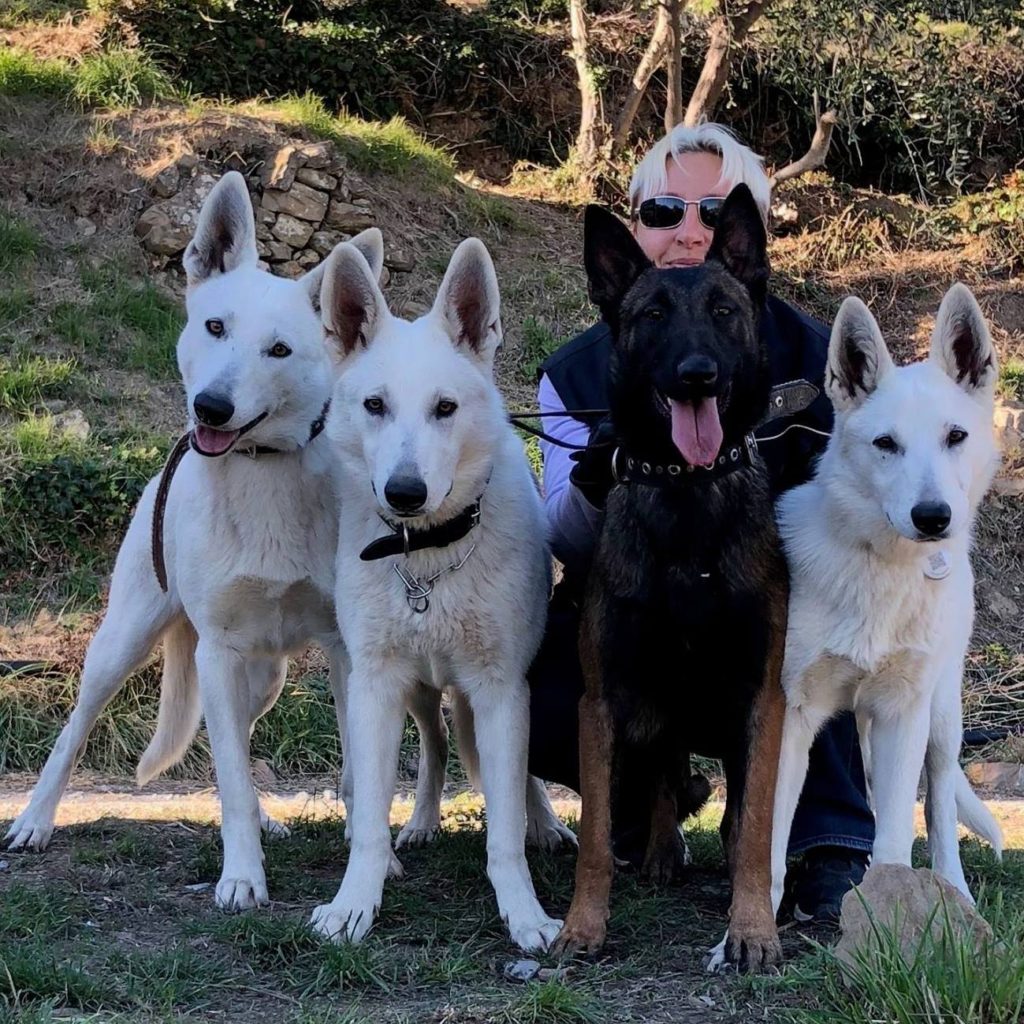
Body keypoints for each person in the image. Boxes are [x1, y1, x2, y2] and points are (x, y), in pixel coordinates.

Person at [527, 122, 874, 923]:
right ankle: (657, 799)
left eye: (714, 211)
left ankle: (829, 842)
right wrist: (600, 474)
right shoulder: (573, 370)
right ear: (632, 234)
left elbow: (870, 479)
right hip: (635, 601)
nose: (689, 230)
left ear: (746, 251)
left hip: (772, 604)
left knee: (808, 648)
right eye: (664, 210)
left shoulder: (815, 353)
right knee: (544, 691)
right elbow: (565, 540)